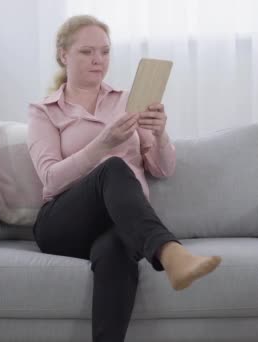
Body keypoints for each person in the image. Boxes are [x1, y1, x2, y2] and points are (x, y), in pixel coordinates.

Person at [27, 15, 222, 342]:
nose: (98, 60)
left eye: (104, 52)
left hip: (120, 223)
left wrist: (160, 135)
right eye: (87, 52)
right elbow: (50, 179)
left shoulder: (126, 100)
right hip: (63, 224)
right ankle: (170, 252)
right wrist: (102, 144)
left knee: (116, 247)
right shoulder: (44, 111)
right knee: (114, 166)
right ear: (64, 55)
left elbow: (162, 169)